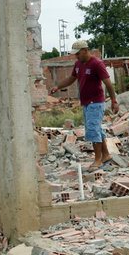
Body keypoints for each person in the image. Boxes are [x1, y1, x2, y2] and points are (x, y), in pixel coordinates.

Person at [50, 40, 119, 171]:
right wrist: (57, 86)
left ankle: (97, 160)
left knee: (93, 130)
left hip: (96, 102)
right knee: (96, 129)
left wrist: (114, 101)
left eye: (78, 54)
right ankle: (106, 155)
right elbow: (71, 79)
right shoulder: (78, 64)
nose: (76, 56)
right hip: (86, 102)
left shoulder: (97, 64)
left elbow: (108, 84)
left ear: (85, 50)